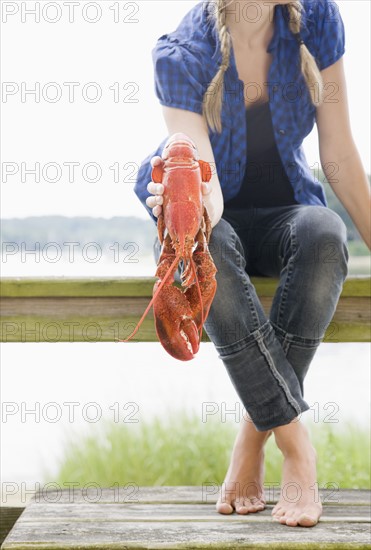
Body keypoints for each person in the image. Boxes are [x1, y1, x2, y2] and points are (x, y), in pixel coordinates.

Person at [134, 0, 371, 527]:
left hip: (290, 209)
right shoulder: (183, 54)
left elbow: (338, 154)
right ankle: (297, 447)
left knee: (325, 232)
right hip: (215, 214)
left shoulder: (317, 21)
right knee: (208, 246)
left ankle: (251, 437)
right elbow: (208, 189)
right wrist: (195, 213)